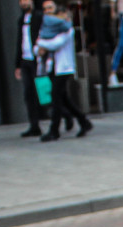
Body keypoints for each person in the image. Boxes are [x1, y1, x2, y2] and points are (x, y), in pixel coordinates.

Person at [36, 0, 92, 141]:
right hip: (52, 68)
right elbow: (37, 48)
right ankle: (84, 122)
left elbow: (56, 44)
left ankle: (54, 130)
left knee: (56, 98)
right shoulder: (47, 28)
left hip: (64, 69)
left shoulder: (68, 30)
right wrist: (39, 47)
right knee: (63, 99)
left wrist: (41, 45)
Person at [13, 0, 44, 137]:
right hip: (25, 61)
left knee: (45, 91)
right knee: (28, 94)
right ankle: (34, 125)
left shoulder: (39, 16)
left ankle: (67, 116)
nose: (24, 3)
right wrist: (17, 65)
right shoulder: (21, 19)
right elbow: (19, 41)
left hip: (38, 60)